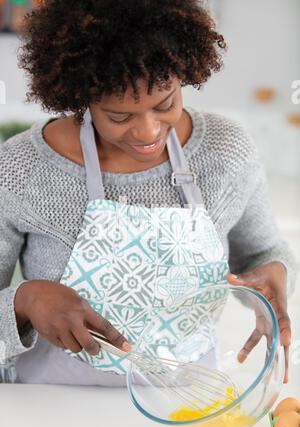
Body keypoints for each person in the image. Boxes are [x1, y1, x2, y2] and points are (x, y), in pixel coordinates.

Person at [0, 0, 296, 386]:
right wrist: (25, 300)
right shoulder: (21, 168)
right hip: (54, 403)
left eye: (165, 104)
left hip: (190, 402)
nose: (148, 132)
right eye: (119, 116)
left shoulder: (227, 151)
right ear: (80, 95)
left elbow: (263, 252)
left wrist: (275, 277)